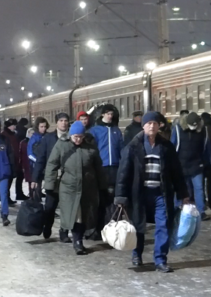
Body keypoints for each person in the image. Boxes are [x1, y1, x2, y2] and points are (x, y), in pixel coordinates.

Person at [115, 112, 189, 273]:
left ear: (159, 126)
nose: (152, 126)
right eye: (149, 123)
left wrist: (183, 194)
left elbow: (176, 172)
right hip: (139, 194)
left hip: (161, 193)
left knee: (163, 225)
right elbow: (124, 173)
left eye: (155, 123)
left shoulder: (166, 147)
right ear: (143, 125)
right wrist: (121, 196)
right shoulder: (133, 146)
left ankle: (160, 260)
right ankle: (137, 254)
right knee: (139, 226)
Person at [44, 121, 108, 255]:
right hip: (68, 187)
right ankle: (74, 239)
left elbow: (98, 168)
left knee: (83, 215)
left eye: (80, 137)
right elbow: (52, 164)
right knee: (73, 214)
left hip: (87, 187)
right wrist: (49, 185)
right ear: (70, 135)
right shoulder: (62, 145)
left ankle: (72, 235)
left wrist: (103, 186)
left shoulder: (90, 147)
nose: (78, 139)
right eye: (75, 137)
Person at [31, 113, 71, 242]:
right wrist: (35, 178)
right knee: (50, 206)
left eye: (66, 121)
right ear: (56, 123)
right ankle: (47, 225)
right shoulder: (48, 138)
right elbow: (41, 159)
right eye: (61, 120)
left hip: (68, 178)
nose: (64, 123)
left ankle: (63, 232)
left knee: (66, 207)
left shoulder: (72, 137)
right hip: (52, 178)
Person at [171, 112, 211, 221]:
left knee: (199, 188)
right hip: (181, 164)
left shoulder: (203, 131)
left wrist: (208, 162)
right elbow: (173, 146)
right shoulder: (178, 129)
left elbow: (206, 146)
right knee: (181, 188)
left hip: (196, 164)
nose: (193, 128)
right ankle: (178, 209)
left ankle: (201, 211)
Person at [88, 104, 123, 234]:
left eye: (111, 114)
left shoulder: (116, 130)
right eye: (108, 114)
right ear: (102, 114)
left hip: (114, 167)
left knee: (113, 198)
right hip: (100, 168)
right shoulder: (95, 130)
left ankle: (111, 223)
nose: (110, 116)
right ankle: (98, 226)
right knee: (100, 198)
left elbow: (121, 148)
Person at [1, 119, 22, 203]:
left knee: (10, 180)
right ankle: (6, 198)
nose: (15, 127)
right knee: (7, 181)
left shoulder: (13, 135)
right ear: (8, 126)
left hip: (14, 161)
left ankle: (7, 197)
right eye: (13, 125)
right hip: (8, 161)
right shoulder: (4, 135)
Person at [15, 118, 29, 199]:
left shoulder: (15, 132)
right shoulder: (22, 132)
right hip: (20, 157)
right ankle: (19, 194)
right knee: (20, 177)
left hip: (18, 157)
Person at [19, 128, 34, 195]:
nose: (32, 135)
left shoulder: (36, 141)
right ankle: (31, 194)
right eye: (31, 133)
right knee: (30, 180)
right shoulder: (23, 142)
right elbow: (21, 154)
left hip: (34, 163)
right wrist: (21, 165)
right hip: (26, 163)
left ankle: (35, 195)